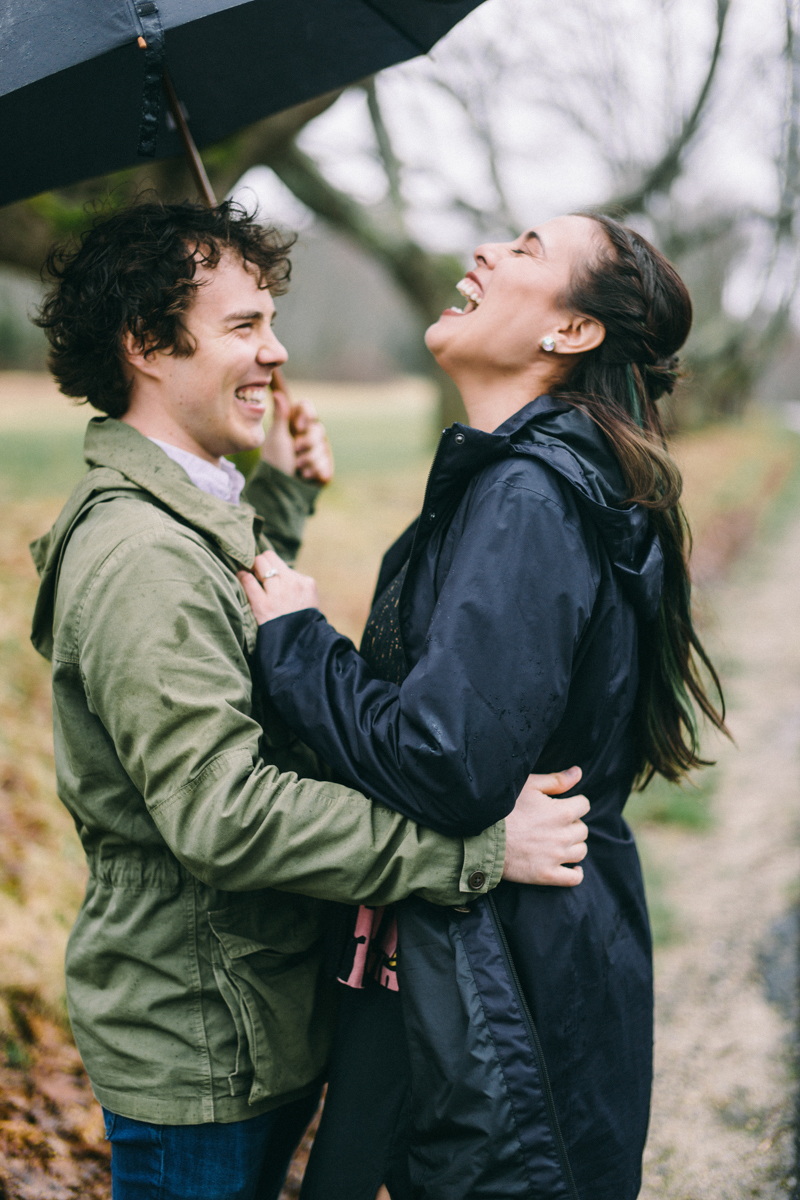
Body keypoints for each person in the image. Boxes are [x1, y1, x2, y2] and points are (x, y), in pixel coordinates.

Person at [29, 200, 591, 1200]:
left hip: (254, 1022)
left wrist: (278, 501)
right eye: (244, 326)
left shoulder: (189, 510)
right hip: (198, 1050)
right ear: (149, 345)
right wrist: (471, 852)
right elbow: (223, 812)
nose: (276, 353)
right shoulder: (139, 556)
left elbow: (226, 646)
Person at [240, 212, 729, 1200]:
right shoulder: (550, 480)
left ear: (570, 332)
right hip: (493, 956)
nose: (484, 253)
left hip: (496, 982)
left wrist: (296, 647)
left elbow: (444, 763)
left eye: (524, 251)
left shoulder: (527, 498)